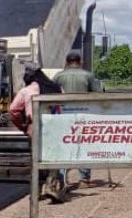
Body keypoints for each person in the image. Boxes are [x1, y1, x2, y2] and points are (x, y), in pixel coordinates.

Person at [8, 62, 63, 201]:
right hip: (53, 126)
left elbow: (13, 110)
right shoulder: (55, 88)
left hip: (35, 128)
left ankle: (36, 192)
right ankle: (51, 186)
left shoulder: (26, 91)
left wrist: (23, 126)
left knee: (35, 159)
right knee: (53, 158)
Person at [53, 51, 103, 188]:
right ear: (80, 62)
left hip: (63, 116)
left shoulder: (58, 77)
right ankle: (84, 179)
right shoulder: (88, 76)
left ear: (66, 62)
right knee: (84, 146)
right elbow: (98, 95)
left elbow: (51, 95)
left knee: (63, 146)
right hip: (84, 116)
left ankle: (61, 178)